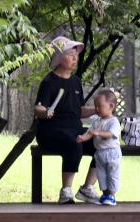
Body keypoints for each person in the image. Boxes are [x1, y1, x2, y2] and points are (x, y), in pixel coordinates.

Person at [34, 36, 100, 204]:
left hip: (74, 128)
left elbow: (79, 111)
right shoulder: (48, 82)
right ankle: (66, 191)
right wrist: (45, 112)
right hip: (50, 132)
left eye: (76, 55)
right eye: (70, 55)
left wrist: (97, 110)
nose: (75, 58)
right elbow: (38, 108)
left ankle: (87, 188)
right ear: (58, 57)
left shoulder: (76, 81)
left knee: (101, 143)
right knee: (74, 142)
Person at [77, 89, 122, 206]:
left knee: (112, 175)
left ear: (111, 106)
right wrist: (82, 138)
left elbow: (110, 134)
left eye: (99, 106)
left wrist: (99, 133)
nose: (96, 109)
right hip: (100, 153)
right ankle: (105, 195)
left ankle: (112, 195)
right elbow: (89, 133)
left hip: (112, 153)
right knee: (102, 175)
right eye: (95, 106)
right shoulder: (96, 121)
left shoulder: (114, 122)